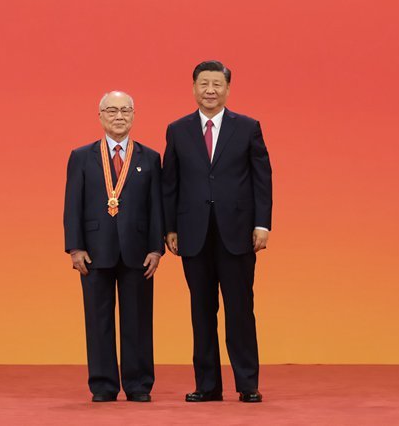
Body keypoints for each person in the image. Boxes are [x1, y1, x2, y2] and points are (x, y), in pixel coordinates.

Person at [162, 61, 273, 403]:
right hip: (193, 234)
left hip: (237, 233)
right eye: (204, 84)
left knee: (240, 310)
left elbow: (262, 179)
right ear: (193, 87)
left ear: (227, 89)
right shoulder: (177, 130)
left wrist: (262, 224)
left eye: (217, 84)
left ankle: (247, 384)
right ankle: (207, 385)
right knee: (201, 311)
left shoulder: (248, 127)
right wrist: (170, 227)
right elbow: (170, 183)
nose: (210, 90)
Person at [63, 91, 165, 402]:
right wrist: (75, 247)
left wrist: (156, 248)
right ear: (100, 116)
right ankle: (103, 384)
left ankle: (138, 385)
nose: (118, 116)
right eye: (111, 111)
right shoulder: (81, 156)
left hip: (138, 251)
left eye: (125, 110)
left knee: (138, 320)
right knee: (98, 320)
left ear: (133, 115)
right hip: (94, 250)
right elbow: (72, 205)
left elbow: (156, 207)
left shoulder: (150, 158)